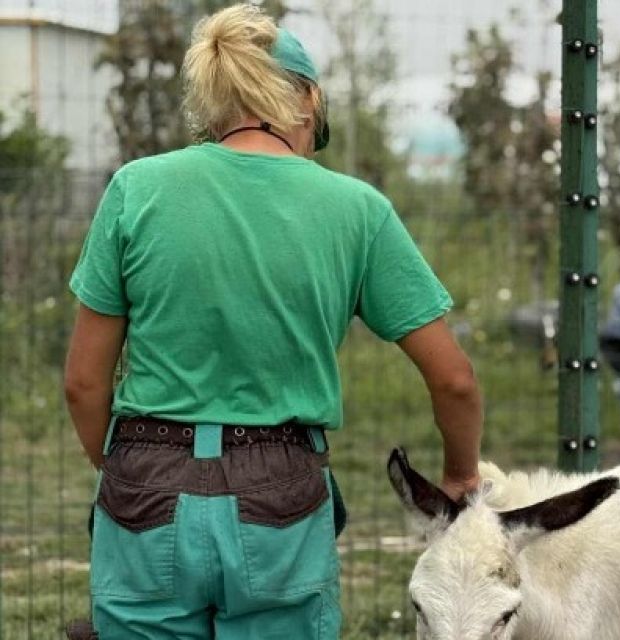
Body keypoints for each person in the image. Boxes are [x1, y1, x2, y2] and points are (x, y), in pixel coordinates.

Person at [62, 4, 482, 638]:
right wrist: (459, 473)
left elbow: (83, 384)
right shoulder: (356, 209)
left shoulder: (136, 189)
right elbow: (453, 380)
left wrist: (121, 468)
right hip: (279, 488)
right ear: (307, 99)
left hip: (144, 475)